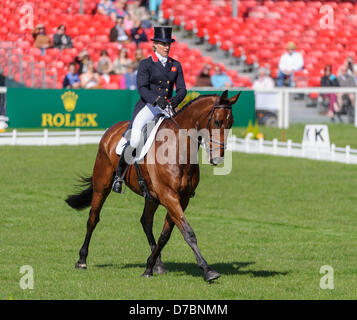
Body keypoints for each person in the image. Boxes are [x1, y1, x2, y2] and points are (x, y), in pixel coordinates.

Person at [112, 26, 187, 193]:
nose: (166, 47)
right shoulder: (146, 64)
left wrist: (174, 100)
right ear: (155, 45)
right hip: (148, 107)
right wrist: (156, 100)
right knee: (136, 140)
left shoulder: (176, 65)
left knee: (183, 137)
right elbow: (142, 88)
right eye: (162, 44)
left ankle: (184, 179)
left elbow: (182, 89)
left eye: (168, 44)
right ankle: (119, 176)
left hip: (167, 108)